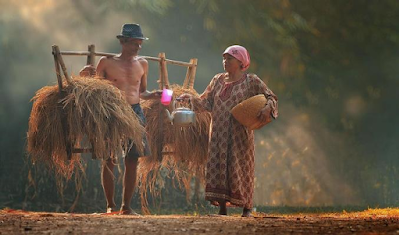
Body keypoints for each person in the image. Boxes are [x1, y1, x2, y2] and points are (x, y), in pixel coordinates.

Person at [179, 45, 278, 217]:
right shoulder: (217, 80)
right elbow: (205, 102)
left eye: (229, 58)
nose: (225, 61)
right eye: (224, 58)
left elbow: (271, 96)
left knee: (241, 166)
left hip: (240, 135)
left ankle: (247, 208)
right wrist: (191, 99)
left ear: (241, 62)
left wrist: (267, 108)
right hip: (218, 132)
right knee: (218, 166)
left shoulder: (251, 81)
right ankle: (222, 209)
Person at [79, 23, 162, 215]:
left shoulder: (143, 64)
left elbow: (141, 92)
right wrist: (84, 77)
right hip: (111, 112)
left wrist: (154, 95)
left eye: (140, 43)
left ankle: (126, 206)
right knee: (109, 158)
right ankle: (110, 205)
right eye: (135, 43)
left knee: (133, 159)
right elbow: (94, 89)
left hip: (135, 111)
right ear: (123, 42)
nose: (138, 47)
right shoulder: (107, 62)